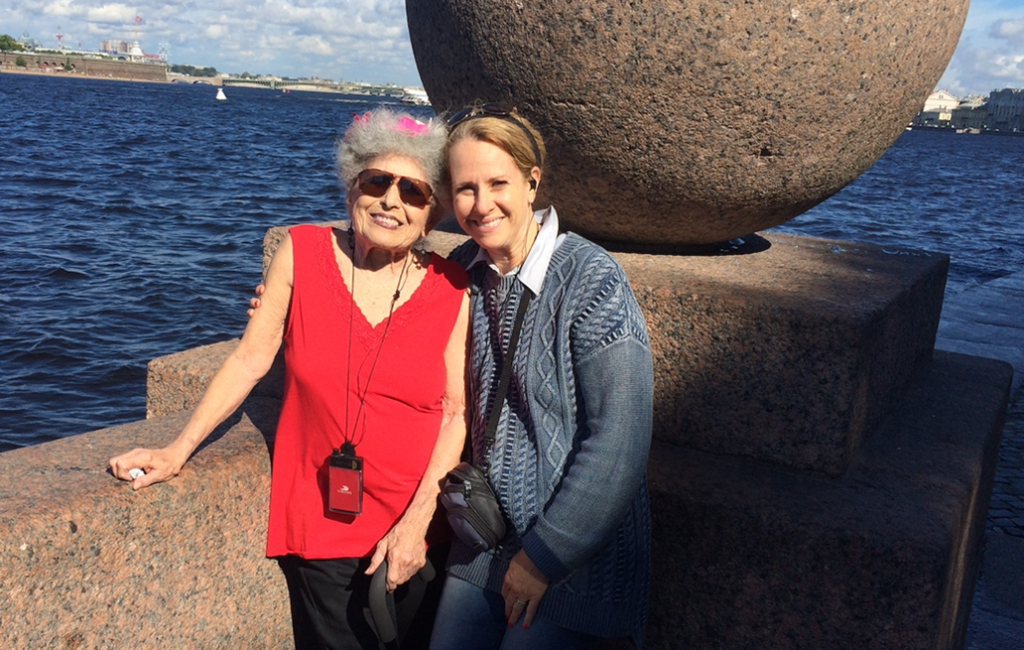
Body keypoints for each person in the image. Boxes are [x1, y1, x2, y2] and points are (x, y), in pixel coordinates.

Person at [109, 108, 471, 650]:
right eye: (377, 181)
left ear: (431, 213)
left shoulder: (452, 285)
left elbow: (455, 413)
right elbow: (248, 361)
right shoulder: (300, 254)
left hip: (418, 528)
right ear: (352, 186)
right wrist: (177, 449)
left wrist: (417, 523)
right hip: (324, 517)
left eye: (414, 192)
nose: (391, 201)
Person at [428, 104, 653, 650]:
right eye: (464, 189)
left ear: (532, 183)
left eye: (498, 183)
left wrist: (544, 557)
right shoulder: (465, 267)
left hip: (575, 560)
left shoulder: (591, 278)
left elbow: (620, 439)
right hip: (483, 541)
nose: (482, 205)